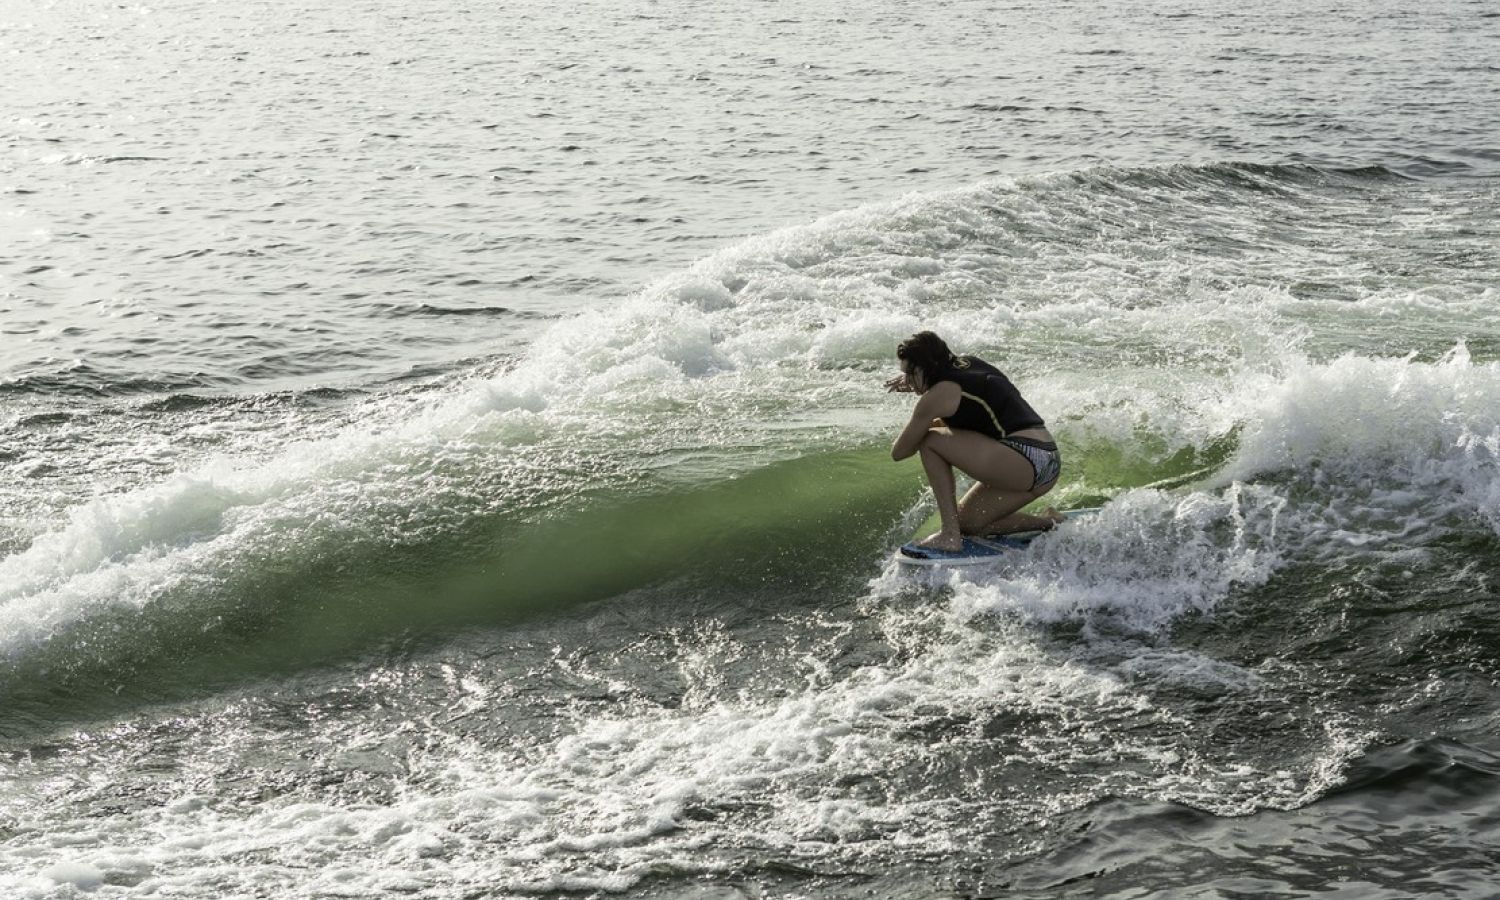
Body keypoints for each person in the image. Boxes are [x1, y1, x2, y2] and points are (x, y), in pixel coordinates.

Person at [887, 331, 1063, 552]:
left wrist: (923, 416)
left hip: (1024, 456)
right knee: (968, 524)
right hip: (1047, 461)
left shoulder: (938, 395)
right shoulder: (970, 363)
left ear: (927, 367)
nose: (907, 381)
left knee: (930, 441)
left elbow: (899, 452)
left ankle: (949, 535)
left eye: (910, 374)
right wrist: (919, 383)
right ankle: (1049, 521)